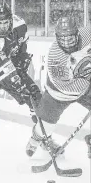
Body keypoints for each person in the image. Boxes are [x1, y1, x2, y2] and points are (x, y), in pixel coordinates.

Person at [0, 2, 62, 155]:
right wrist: (20, 87)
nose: (1, 26)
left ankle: (44, 139)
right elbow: (5, 73)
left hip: (11, 67)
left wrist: (21, 59)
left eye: (5, 22)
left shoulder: (20, 24)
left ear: (11, 20)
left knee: (37, 100)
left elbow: (22, 47)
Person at [26, 14, 91, 157]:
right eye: (62, 39)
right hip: (59, 93)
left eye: (70, 38)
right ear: (57, 37)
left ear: (77, 33)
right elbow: (71, 88)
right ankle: (37, 139)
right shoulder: (56, 56)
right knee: (46, 125)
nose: (66, 43)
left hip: (85, 84)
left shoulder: (88, 34)